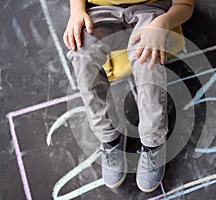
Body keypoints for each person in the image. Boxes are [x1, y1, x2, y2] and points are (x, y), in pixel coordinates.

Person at [63, 0, 194, 193]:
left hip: (149, 12)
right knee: (82, 54)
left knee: (147, 61)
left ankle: (153, 143)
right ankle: (110, 138)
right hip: (101, 12)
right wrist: (77, 11)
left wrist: (163, 23)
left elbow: (185, 5)